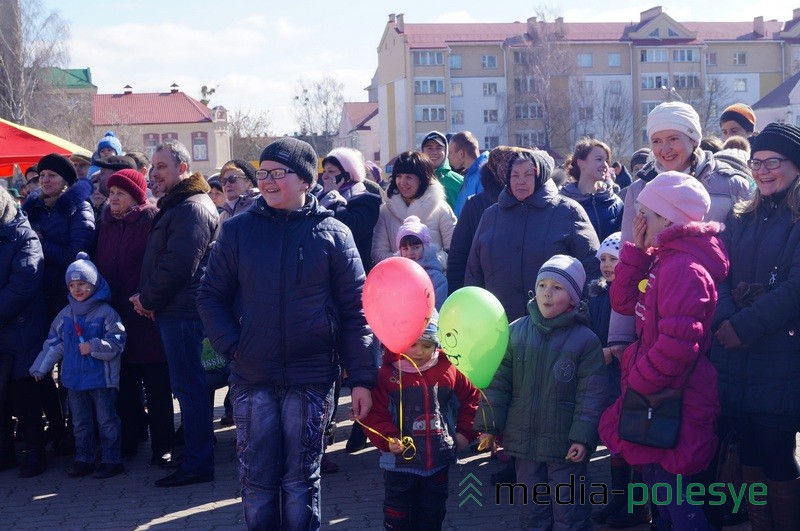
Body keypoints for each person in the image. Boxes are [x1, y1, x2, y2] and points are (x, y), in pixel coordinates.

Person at [196, 137, 376, 530]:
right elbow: (210, 295)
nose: (268, 181)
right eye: (263, 173)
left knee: (300, 481)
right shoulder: (238, 230)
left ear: (307, 180)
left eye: (279, 173)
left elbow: (356, 311)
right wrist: (233, 346)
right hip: (252, 374)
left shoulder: (333, 233)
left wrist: (361, 379)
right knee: (257, 483)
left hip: (311, 377)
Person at [599, 171, 728, 530]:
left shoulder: (683, 268)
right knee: (662, 490)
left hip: (673, 394)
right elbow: (623, 301)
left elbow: (679, 343)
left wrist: (639, 378)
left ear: (669, 220)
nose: (639, 221)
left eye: (647, 215)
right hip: (658, 391)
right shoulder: (663, 259)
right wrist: (637, 253)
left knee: (676, 497)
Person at [607, 102, 750, 359]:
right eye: (657, 141)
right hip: (660, 315)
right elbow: (629, 256)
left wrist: (739, 320)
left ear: (694, 139)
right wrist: (619, 334)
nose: (665, 149)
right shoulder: (638, 191)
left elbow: (746, 251)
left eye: (674, 138)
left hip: (722, 314)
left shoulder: (732, 184)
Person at [710, 122, 800, 528]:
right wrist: (728, 319)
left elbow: (796, 287)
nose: (763, 171)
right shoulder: (742, 215)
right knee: (745, 449)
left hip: (782, 355)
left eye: (773, 162)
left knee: (775, 449)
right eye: (756, 162)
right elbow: (720, 273)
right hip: (735, 354)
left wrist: (744, 327)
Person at [475, 255, 607, 529]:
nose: (547, 292)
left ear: (572, 298)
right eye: (542, 285)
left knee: (569, 510)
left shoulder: (585, 341)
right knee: (531, 510)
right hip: (524, 443)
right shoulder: (516, 332)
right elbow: (499, 382)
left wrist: (582, 439)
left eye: (557, 288)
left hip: (564, 445)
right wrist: (489, 426)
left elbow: (591, 397)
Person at [130, 140, 219, 488]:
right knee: (188, 388)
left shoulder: (192, 208)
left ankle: (198, 464)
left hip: (184, 313)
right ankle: (196, 456)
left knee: (190, 390)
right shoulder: (180, 205)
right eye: (152, 167)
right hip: (175, 310)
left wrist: (148, 299)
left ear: (183, 169)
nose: (154, 173)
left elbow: (179, 264)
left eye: (162, 166)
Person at [363, 311, 479, 530]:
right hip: (399, 466)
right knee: (398, 518)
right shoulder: (386, 375)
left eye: (427, 345)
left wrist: (465, 433)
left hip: (438, 461)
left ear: (436, 344)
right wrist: (388, 439)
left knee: (432, 516)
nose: (419, 352)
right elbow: (373, 413)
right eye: (413, 344)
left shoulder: (448, 368)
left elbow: (473, 398)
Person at [94, 169, 174, 465]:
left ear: (136, 197)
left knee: (156, 386)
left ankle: (163, 445)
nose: (113, 199)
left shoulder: (150, 220)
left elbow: (159, 264)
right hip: (114, 316)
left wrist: (149, 298)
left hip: (145, 314)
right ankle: (129, 441)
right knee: (124, 384)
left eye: (121, 194)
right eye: (111, 193)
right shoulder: (105, 224)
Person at [465, 149, 600, 322]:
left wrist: (581, 315)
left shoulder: (567, 211)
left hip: (556, 327)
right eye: (515, 175)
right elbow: (474, 271)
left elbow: (591, 266)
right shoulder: (491, 216)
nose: (521, 181)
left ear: (540, 176)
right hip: (499, 325)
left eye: (528, 174)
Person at [30, 252, 127, 479]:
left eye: (82, 283)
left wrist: (94, 346)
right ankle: (83, 458)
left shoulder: (106, 313)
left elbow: (118, 342)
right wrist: (40, 368)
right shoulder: (65, 315)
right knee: (80, 423)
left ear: (93, 284)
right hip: (74, 380)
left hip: (101, 380)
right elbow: (54, 343)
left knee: (107, 421)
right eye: (72, 285)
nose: (77, 289)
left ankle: (112, 459)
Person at [23, 153, 95, 456]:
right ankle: (55, 423)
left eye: (52, 175)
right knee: (39, 366)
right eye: (42, 175)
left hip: (71, 299)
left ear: (65, 180)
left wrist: (40, 243)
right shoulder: (32, 208)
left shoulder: (79, 208)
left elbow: (77, 254)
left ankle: (74, 432)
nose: (46, 180)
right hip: (39, 298)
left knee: (70, 368)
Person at [0, 186, 49, 477]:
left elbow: (23, 285)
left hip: (22, 328)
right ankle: (5, 453)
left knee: (25, 394)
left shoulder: (24, 236)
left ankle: (35, 452)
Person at [447, 146, 523, 294]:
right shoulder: (475, 205)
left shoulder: (528, 202)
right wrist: (459, 297)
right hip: (484, 294)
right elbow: (458, 258)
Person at [371, 151, 456, 267]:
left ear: (422, 179)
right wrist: (405, 263)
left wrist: (427, 262)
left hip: (434, 279)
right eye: (399, 176)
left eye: (409, 177)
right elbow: (378, 252)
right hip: (398, 279)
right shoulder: (386, 211)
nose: (402, 182)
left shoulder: (441, 208)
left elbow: (454, 249)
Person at [316, 148, 383, 272]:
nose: (324, 176)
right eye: (324, 171)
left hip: (353, 270)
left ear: (347, 174)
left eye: (331, 171)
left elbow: (352, 228)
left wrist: (334, 198)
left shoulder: (367, 200)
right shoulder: (319, 197)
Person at [560, 138, 624, 241]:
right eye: (599, 159)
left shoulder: (615, 202)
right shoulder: (562, 204)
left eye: (606, 160)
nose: (605, 165)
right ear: (581, 163)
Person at [396, 215, 448, 310]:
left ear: (425, 247)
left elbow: (437, 309)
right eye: (405, 248)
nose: (410, 252)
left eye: (415, 247)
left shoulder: (436, 278)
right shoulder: (395, 276)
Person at [448, 131, 488, 217]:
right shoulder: (470, 175)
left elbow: (483, 215)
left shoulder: (485, 175)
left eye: (450, 153)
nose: (449, 157)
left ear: (461, 154)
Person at [421, 131, 463, 210]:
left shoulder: (460, 182)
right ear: (422, 151)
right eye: (429, 148)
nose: (434, 152)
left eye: (439, 148)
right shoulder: (414, 180)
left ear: (446, 151)